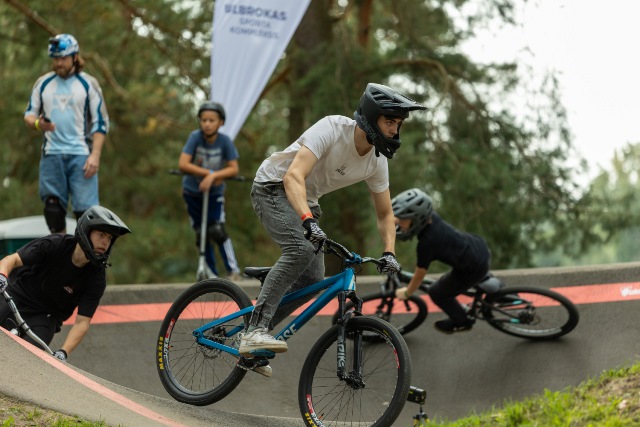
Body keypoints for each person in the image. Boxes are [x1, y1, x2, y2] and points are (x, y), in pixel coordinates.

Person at [239, 83, 427, 367]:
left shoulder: (377, 161)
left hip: (307, 202)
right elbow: (293, 177)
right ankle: (255, 329)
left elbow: (385, 214)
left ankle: (251, 336)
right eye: (390, 122)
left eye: (398, 124)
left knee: (314, 281)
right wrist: (308, 221)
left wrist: (390, 252)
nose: (394, 130)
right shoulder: (332, 128)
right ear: (370, 116)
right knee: (300, 250)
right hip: (273, 187)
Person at [0, 206, 130, 361]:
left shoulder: (97, 279)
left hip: (45, 317)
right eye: (101, 235)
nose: (105, 242)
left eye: (109, 238)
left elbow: (82, 322)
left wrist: (64, 352)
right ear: (85, 231)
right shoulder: (56, 243)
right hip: (16, 297)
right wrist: (2, 276)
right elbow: (11, 260)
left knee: (28, 358)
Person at [24, 34, 109, 234]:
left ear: (74, 57)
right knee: (53, 210)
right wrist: (38, 124)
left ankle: (86, 253)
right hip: (51, 154)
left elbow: (101, 122)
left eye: (62, 58)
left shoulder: (89, 84)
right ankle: (60, 249)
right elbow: (29, 115)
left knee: (86, 215)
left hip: (81, 155)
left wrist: (95, 155)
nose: (58, 63)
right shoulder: (43, 83)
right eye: (55, 59)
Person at [392, 188, 492, 334]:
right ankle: (486, 282)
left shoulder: (426, 244)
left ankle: (462, 321)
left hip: (473, 268)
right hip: (479, 247)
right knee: (448, 280)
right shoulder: (431, 217)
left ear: (417, 218)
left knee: (436, 292)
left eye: (402, 220)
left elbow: (419, 275)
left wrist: (407, 292)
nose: (399, 223)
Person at [178, 101, 242, 280]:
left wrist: (214, 177)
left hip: (214, 194)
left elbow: (233, 168)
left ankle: (233, 271)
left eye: (212, 120)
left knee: (217, 230)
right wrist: (210, 174)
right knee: (202, 233)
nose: (207, 124)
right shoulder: (195, 137)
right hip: (192, 192)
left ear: (221, 122)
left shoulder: (225, 141)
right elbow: (183, 164)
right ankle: (210, 273)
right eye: (204, 120)